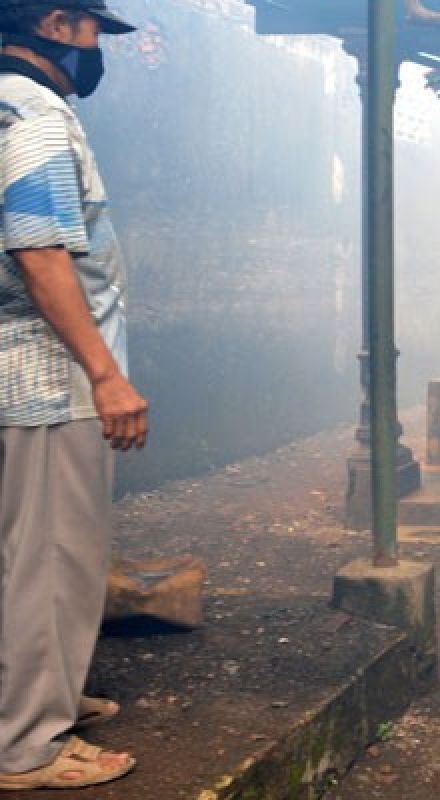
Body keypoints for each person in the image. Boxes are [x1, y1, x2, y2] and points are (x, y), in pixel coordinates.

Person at [0, 0, 145, 791]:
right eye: (93, 29)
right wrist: (105, 372)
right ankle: (28, 745)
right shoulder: (36, 112)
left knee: (19, 555)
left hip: (14, 374)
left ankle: (34, 698)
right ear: (54, 26)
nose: (98, 46)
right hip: (49, 382)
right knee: (53, 560)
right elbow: (40, 250)